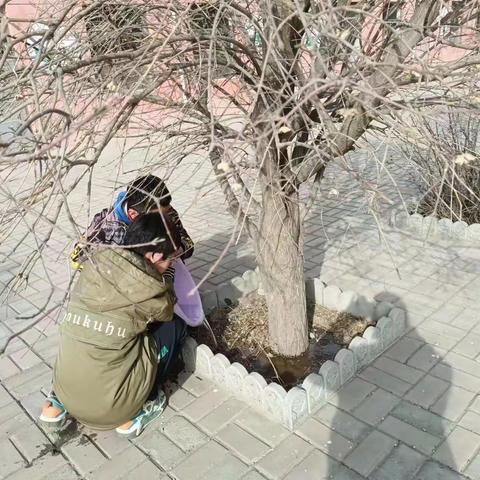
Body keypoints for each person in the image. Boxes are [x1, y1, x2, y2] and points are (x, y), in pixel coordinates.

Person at [39, 213, 187, 438]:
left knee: (94, 339)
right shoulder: (149, 287)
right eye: (171, 260)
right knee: (174, 328)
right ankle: (141, 407)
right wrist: (166, 279)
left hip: (64, 387)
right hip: (111, 409)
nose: (171, 264)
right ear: (155, 256)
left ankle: (56, 404)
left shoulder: (95, 263)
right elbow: (166, 311)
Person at [70, 174, 194, 269]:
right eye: (158, 217)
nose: (164, 220)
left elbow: (188, 242)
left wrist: (178, 250)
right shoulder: (106, 228)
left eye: (165, 213)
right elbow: (76, 260)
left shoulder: (163, 209)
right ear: (132, 214)